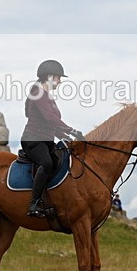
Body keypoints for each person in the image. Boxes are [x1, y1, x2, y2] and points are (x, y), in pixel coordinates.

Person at [20, 60, 84, 218]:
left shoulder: (47, 96)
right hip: (33, 140)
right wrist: (72, 130)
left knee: (61, 159)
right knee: (46, 163)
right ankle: (33, 203)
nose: (60, 81)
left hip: (46, 140)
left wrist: (68, 138)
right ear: (49, 76)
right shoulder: (38, 93)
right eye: (58, 77)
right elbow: (50, 118)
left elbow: (53, 126)